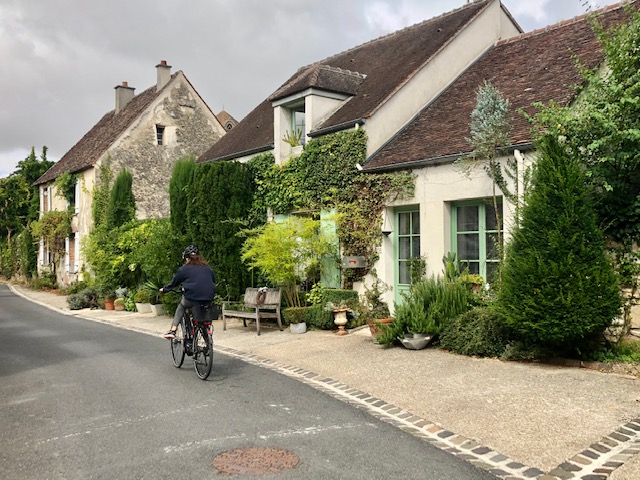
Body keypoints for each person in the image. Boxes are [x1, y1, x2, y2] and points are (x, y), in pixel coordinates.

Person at [160, 245, 216, 339]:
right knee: (202, 315)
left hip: (192, 298)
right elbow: (213, 281)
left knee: (182, 305)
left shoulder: (185, 269)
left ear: (187, 258)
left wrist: (165, 289)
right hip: (208, 297)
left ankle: (173, 330)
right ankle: (206, 339)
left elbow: (174, 282)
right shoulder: (208, 268)